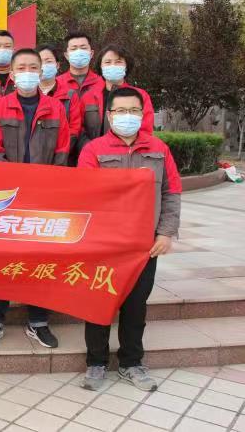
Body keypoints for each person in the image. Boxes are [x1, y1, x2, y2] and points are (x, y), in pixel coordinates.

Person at [78, 87, 181, 392]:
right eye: (120, 111)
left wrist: (165, 232)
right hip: (104, 244)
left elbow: (171, 192)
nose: (127, 116)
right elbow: (82, 195)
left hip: (143, 245)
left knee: (136, 306)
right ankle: (96, 363)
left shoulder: (159, 149)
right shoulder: (94, 150)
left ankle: (131, 363)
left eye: (133, 111)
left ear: (142, 114)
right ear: (109, 116)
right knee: (98, 303)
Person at [0, 48, 70, 350]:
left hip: (44, 195)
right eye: (22, 67)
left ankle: (39, 320)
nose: (28, 72)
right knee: (2, 258)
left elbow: (62, 150)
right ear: (12, 73)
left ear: (42, 71)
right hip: (6, 196)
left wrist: (47, 184)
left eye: (34, 67)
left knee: (40, 258)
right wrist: (15, 183)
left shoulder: (55, 108)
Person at [91, 45, 156, 135]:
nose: (113, 65)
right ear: (100, 66)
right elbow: (81, 129)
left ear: (126, 66)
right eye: (107, 62)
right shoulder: (89, 95)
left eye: (118, 62)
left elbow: (145, 130)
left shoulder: (139, 95)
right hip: (93, 144)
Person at [37, 44, 84, 158]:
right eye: (40, 62)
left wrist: (59, 154)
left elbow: (74, 129)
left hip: (61, 156)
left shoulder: (70, 95)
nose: (44, 66)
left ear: (57, 65)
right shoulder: (27, 93)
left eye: (48, 61)